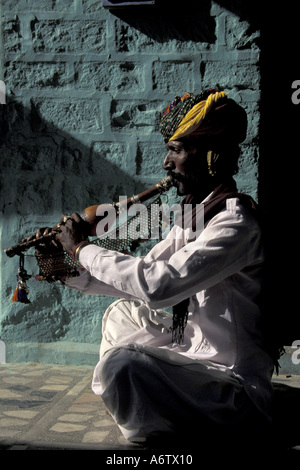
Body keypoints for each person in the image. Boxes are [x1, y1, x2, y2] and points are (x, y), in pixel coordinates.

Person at [54, 89, 274, 444]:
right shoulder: (194, 215)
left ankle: (149, 426)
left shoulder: (235, 225)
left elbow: (159, 287)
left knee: (122, 365)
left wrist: (82, 248)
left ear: (212, 157)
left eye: (176, 150)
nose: (165, 164)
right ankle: (144, 405)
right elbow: (145, 274)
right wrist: (75, 273)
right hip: (192, 355)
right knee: (121, 313)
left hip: (231, 389)